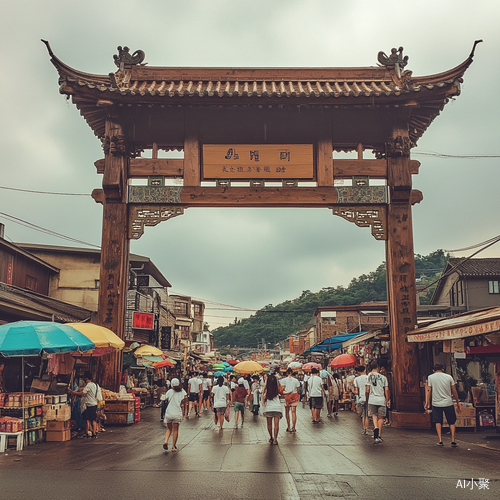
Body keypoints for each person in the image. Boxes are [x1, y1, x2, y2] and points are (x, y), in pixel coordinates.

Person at [424, 363, 461, 448]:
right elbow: (454, 390)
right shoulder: (449, 377)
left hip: (436, 403)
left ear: (434, 370)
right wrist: (457, 401)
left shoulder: (430, 377)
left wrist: (427, 402)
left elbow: (429, 390)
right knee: (451, 421)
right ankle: (453, 440)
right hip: (448, 403)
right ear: (442, 369)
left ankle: (440, 440)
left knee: (438, 421)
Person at [68, 371, 101, 439]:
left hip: (88, 404)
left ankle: (86, 433)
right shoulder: (96, 385)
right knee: (93, 419)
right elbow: (83, 389)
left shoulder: (88, 385)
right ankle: (94, 433)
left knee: (87, 419)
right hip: (94, 404)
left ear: (86, 378)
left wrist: (73, 392)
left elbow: (83, 393)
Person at [365, 361, 390, 444]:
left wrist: (367, 398)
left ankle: (375, 427)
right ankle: (379, 435)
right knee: (381, 417)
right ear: (378, 367)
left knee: (374, 415)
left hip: (372, 399)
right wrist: (388, 399)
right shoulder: (383, 377)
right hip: (381, 399)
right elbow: (386, 390)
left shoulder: (368, 376)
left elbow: (367, 389)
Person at [163, 378, 187, 452]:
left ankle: (166, 441)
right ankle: (173, 446)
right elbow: (185, 400)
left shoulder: (169, 391)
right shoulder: (183, 392)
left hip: (169, 413)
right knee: (175, 429)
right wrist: (184, 412)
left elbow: (164, 399)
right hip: (177, 413)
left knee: (168, 429)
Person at [262, 374, 283, 445]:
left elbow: (262, 394)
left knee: (269, 424)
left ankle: (271, 437)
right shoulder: (277, 387)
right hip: (277, 407)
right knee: (276, 424)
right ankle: (275, 439)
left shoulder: (267, 388)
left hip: (269, 408)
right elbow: (283, 392)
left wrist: (263, 404)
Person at [353, 365, 369, 434]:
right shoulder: (368, 377)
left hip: (361, 398)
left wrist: (353, 391)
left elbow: (357, 392)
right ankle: (366, 428)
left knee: (363, 414)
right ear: (365, 370)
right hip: (368, 397)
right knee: (367, 414)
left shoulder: (356, 379)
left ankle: (364, 429)